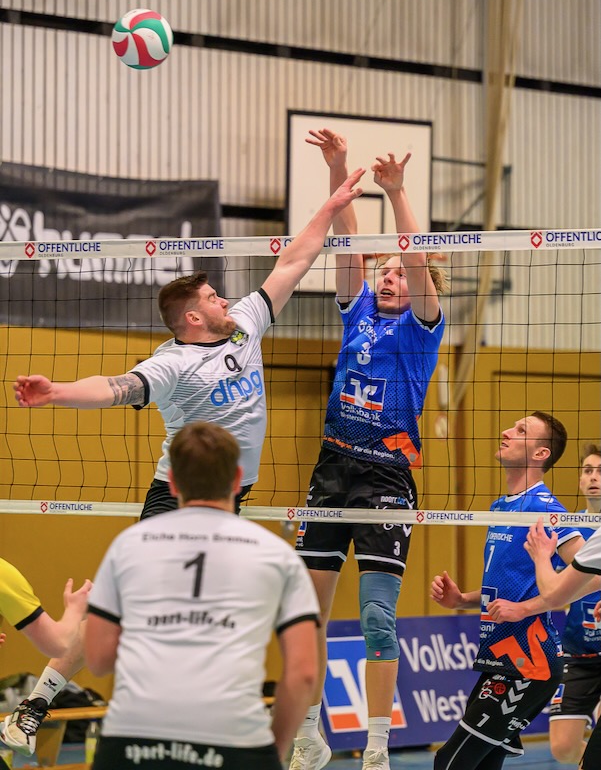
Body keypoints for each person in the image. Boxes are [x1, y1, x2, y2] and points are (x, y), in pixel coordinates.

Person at [13, 168, 365, 520]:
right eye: (213, 298)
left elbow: (293, 263)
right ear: (194, 318)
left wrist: (331, 206)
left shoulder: (245, 322)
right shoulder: (174, 362)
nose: (225, 301)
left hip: (229, 490)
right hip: (178, 493)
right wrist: (55, 392)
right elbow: (113, 388)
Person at [291, 129, 447, 770]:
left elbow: (415, 259)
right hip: (332, 468)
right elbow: (348, 243)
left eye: (399, 274)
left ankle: (377, 748)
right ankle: (309, 735)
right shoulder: (356, 312)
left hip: (387, 478)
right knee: (306, 612)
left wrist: (398, 192)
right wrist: (338, 171)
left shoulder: (423, 328)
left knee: (378, 618)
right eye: (384, 271)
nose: (389, 277)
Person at [83, 420, 321, 770]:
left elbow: (98, 660)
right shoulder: (277, 555)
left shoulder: (129, 545)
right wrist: (271, 752)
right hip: (236, 741)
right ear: (237, 479)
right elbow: (304, 673)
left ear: (173, 481)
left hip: (132, 737)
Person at [430, 411, 586, 770]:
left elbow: (592, 577)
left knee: (450, 761)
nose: (506, 432)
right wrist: (462, 600)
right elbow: (508, 590)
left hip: (530, 662)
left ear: (541, 453)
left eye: (520, 430)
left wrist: (527, 608)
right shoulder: (501, 507)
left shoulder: (546, 509)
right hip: (500, 656)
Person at [0, 562, 91, 758]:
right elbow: (57, 644)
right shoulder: (3, 575)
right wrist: (76, 610)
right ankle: (29, 710)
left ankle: (31, 708)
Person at [547, 444, 601, 765]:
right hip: (578, 652)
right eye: (588, 471)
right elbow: (546, 586)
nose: (593, 477)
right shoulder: (566, 529)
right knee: (563, 748)